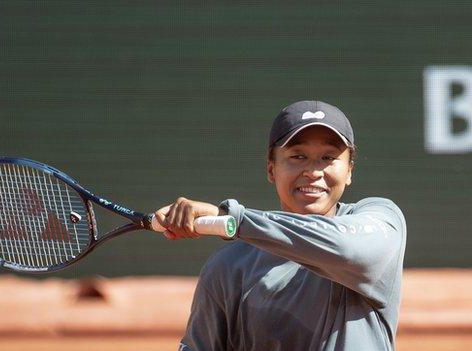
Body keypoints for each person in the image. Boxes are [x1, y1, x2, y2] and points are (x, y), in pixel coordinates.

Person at [155, 100, 407, 351]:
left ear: (350, 170)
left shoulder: (383, 218)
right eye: (298, 156)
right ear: (271, 168)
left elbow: (348, 249)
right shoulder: (229, 267)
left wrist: (233, 218)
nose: (313, 171)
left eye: (328, 157)